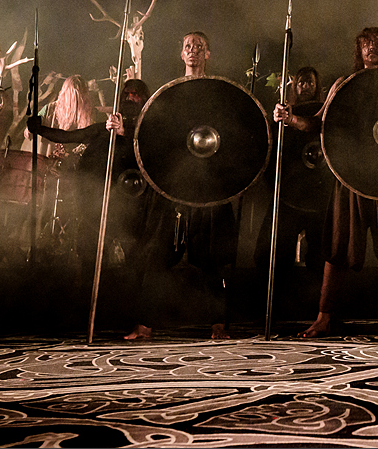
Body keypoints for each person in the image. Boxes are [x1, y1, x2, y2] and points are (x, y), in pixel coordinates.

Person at [274, 27, 378, 338]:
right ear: (359, 51)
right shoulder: (344, 84)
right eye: (366, 44)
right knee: (338, 248)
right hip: (352, 177)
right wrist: (290, 118)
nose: (372, 48)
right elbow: (318, 123)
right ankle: (324, 318)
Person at [124, 31, 240, 341]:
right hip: (174, 183)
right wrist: (123, 130)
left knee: (212, 258)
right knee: (157, 254)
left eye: (199, 46)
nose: (193, 50)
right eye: (188, 45)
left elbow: (230, 131)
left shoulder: (216, 93)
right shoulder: (170, 93)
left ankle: (219, 325)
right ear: (181, 53)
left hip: (208, 184)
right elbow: (154, 131)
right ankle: (145, 326)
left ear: (208, 53)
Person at [26, 78, 151, 298]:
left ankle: (131, 299)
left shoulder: (149, 131)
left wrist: (125, 133)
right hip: (99, 202)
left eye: (135, 94)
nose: (130, 98)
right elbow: (71, 137)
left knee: (133, 256)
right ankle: (87, 295)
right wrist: (40, 129)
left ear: (144, 99)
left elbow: (152, 152)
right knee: (91, 251)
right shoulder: (105, 129)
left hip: (134, 207)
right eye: (127, 94)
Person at [254, 67, 329, 306]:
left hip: (319, 194)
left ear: (317, 86)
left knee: (322, 255)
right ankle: (271, 305)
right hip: (289, 191)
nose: (305, 87)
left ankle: (322, 308)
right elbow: (271, 150)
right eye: (301, 82)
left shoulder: (326, 114)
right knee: (270, 252)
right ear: (294, 86)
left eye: (310, 83)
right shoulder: (283, 114)